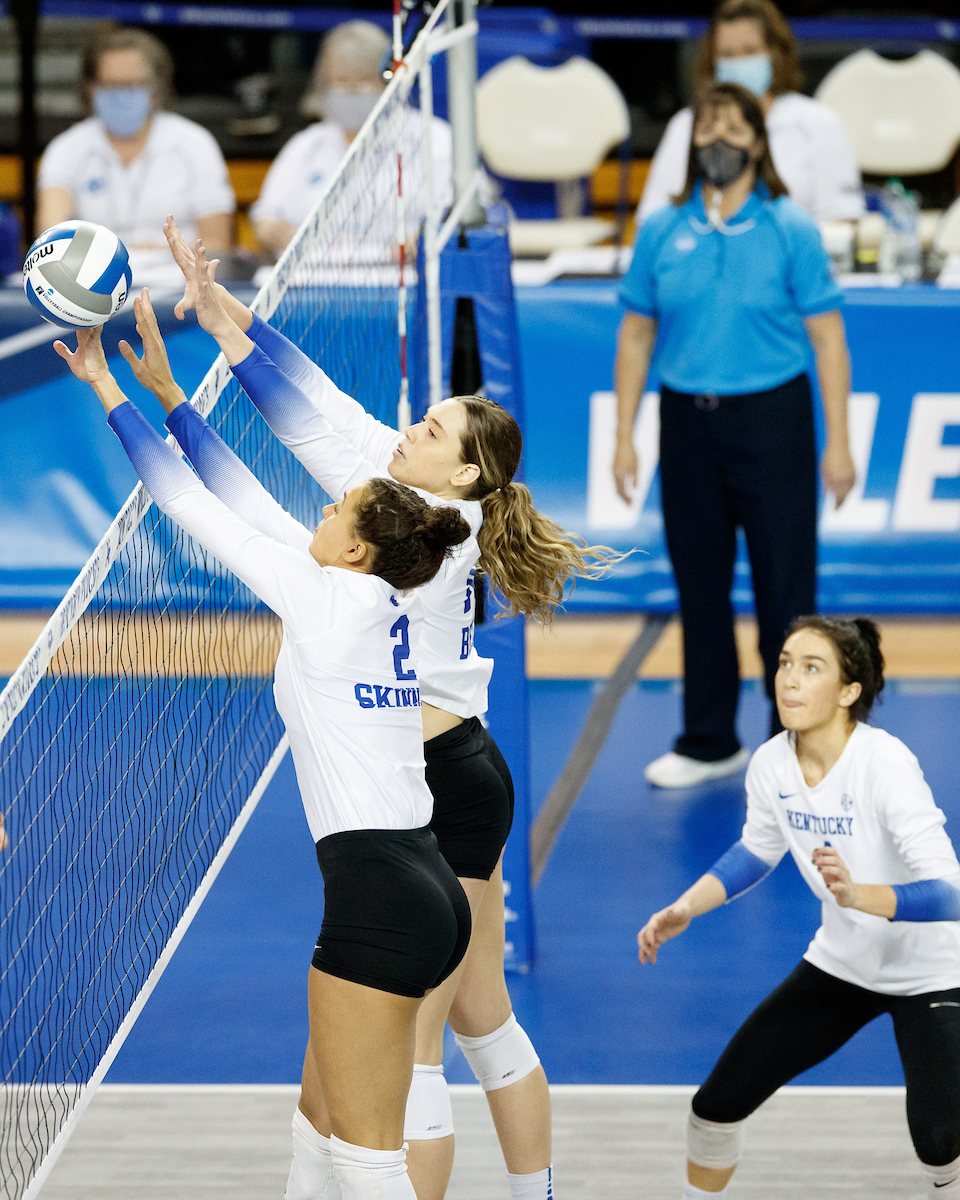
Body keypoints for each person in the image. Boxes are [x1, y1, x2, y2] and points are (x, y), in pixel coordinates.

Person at [163, 217, 623, 1200]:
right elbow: (314, 404)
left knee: (416, 1048)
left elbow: (305, 429)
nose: (408, 428)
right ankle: (533, 1192)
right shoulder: (428, 494)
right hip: (460, 767)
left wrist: (204, 353)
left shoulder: (431, 526)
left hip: (444, 790)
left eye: (430, 429)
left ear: (459, 471)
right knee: (479, 1016)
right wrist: (221, 313)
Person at [55, 299, 473, 1200]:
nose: (319, 507)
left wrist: (104, 389)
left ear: (357, 546)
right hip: (421, 884)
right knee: (319, 1132)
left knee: (365, 1158)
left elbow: (188, 503)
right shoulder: (372, 592)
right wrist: (167, 394)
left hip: (381, 896)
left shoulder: (325, 599)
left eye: (336, 507)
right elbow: (242, 497)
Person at [638, 616, 960, 1199]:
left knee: (941, 1142)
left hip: (933, 972)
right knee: (716, 1105)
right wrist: (688, 906)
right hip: (844, 964)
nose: (789, 679)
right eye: (785, 662)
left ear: (848, 691)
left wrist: (862, 897)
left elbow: (950, 892)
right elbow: (757, 850)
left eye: (811, 668)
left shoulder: (884, 764)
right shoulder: (772, 762)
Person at [613, 81, 856, 791]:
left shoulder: (789, 228)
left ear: (758, 142)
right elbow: (635, 333)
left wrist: (837, 441)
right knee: (700, 586)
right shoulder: (662, 229)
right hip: (687, 420)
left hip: (774, 418)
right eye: (706, 128)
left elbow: (830, 339)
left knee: (787, 591)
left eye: (733, 129)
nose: (718, 142)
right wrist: (625, 436)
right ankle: (709, 737)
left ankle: (800, 743)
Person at [37, 27, 234, 287]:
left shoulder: (195, 143)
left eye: (132, 85)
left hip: (178, 290)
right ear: (91, 89)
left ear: (155, 90)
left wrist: (166, 253)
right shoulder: (66, 148)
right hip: (94, 286)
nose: (120, 95)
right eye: (109, 86)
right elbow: (50, 235)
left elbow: (218, 245)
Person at [638, 0, 863, 226]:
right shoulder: (685, 126)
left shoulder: (819, 123)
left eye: (750, 51)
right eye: (726, 53)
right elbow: (652, 223)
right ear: (712, 60)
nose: (738, 62)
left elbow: (841, 223)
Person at [251, 20, 452, 260]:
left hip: (406, 278)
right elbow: (266, 218)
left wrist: (424, 242)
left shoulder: (435, 139)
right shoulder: (306, 146)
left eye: (365, 81)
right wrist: (272, 230)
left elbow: (453, 221)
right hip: (314, 282)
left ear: (390, 81)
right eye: (342, 82)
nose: (353, 91)